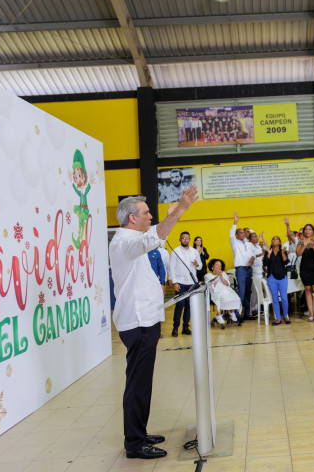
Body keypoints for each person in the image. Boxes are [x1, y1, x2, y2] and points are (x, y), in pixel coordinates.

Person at [109, 188, 198, 459]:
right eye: (146, 213)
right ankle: (134, 444)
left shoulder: (134, 239)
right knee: (138, 385)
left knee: (143, 383)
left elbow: (156, 236)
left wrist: (171, 218)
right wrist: (180, 210)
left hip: (146, 320)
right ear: (132, 218)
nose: (150, 216)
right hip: (137, 323)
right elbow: (155, 236)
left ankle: (139, 432)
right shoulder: (124, 243)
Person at [169, 231, 202, 337]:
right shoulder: (175, 251)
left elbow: (200, 266)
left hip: (191, 283)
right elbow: (171, 268)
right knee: (180, 304)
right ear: (180, 239)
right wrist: (174, 282)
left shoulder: (194, 251)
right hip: (180, 282)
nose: (185, 240)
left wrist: (197, 265)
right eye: (183, 238)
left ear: (189, 240)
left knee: (189, 305)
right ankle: (175, 327)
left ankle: (185, 327)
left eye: (187, 238)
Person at [296, 223, 314, 321]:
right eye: (306, 229)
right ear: (304, 231)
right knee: (307, 290)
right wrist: (304, 246)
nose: (307, 231)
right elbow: (298, 254)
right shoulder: (300, 242)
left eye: (309, 229)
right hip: (305, 268)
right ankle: (311, 314)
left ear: (313, 231)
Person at [230, 212, 255, 320]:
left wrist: (252, 258)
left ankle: (247, 314)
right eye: (240, 233)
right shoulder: (234, 243)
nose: (243, 234)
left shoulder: (248, 244)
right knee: (241, 292)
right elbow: (231, 235)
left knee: (248, 292)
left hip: (249, 269)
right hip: (241, 269)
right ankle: (236, 314)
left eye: (243, 232)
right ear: (236, 235)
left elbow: (253, 253)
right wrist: (235, 222)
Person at [264, 236, 291, 325]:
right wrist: (268, 254)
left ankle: (286, 316)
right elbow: (265, 263)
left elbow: (286, 262)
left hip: (282, 277)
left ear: (279, 242)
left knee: (284, 298)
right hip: (271, 277)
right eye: (273, 239)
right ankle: (278, 318)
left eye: (276, 239)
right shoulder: (268, 251)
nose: (274, 240)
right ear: (271, 242)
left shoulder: (283, 251)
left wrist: (283, 253)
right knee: (275, 299)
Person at [205, 259, 240, 327]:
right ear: (212, 266)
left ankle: (232, 312)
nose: (219, 267)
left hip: (225, 289)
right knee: (224, 299)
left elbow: (227, 284)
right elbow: (212, 287)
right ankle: (218, 315)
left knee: (236, 298)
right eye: (217, 265)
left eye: (220, 266)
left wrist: (221, 277)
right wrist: (217, 277)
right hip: (216, 292)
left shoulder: (223, 273)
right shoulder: (207, 276)